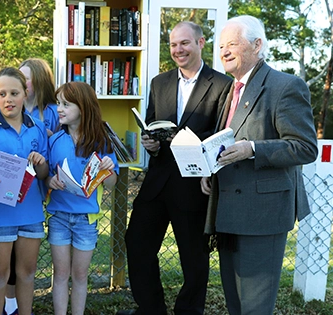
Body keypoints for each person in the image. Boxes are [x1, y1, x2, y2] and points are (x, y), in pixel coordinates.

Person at [200, 15, 318, 314]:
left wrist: (251, 149)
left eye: (232, 44)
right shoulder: (231, 90)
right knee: (236, 305)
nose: (224, 51)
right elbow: (227, 140)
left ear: (257, 45)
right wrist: (210, 170)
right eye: (221, 46)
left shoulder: (285, 86)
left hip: (262, 216)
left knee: (254, 307)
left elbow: (304, 147)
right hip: (227, 210)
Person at [117, 21, 232, 315]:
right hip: (157, 181)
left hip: (194, 184)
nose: (178, 50)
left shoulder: (222, 84)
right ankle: (151, 309)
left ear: (201, 43)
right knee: (137, 243)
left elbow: (223, 133)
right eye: (173, 44)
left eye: (184, 43)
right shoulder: (159, 83)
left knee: (194, 260)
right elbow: (152, 124)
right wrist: (150, 143)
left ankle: (188, 311)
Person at [0, 67, 49, 315]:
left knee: (26, 274)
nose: (8, 99)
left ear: (25, 94)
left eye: (14, 93)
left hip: (31, 212)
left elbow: (45, 174)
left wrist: (41, 163)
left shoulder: (37, 129)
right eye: (2, 94)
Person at [45, 81, 118, 315]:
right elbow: (45, 175)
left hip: (86, 219)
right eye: (58, 103)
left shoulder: (101, 141)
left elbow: (111, 183)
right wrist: (50, 182)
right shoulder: (54, 140)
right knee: (60, 273)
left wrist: (107, 169)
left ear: (83, 107)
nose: (59, 109)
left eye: (66, 104)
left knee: (79, 274)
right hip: (59, 216)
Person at [19, 58, 60, 136]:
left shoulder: (56, 112)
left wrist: (51, 138)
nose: (20, 83)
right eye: (18, 78)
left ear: (40, 82)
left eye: (25, 79)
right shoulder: (11, 109)